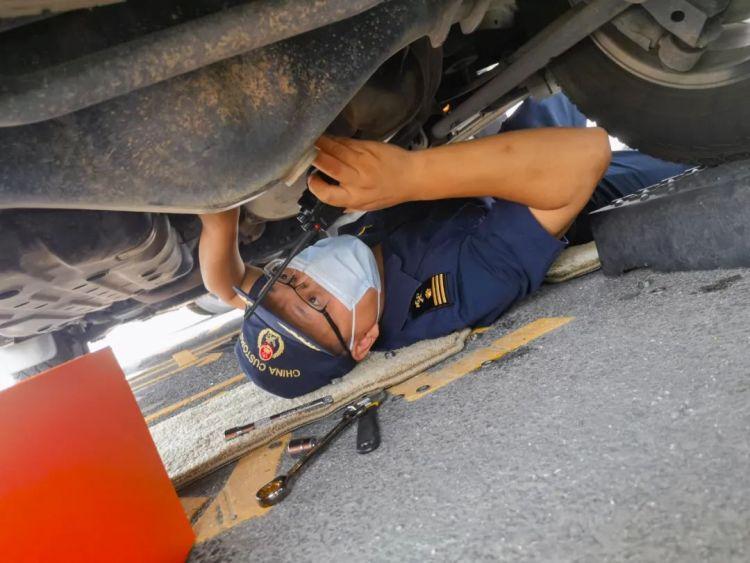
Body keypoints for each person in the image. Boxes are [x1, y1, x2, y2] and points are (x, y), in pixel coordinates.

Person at [199, 94, 690, 398]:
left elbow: (226, 284)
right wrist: (408, 177)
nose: (302, 280)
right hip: (580, 178)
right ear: (364, 342)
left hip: (494, 159)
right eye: (313, 301)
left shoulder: (344, 291)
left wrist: (215, 209)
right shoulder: (454, 293)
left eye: (284, 281)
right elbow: (582, 155)